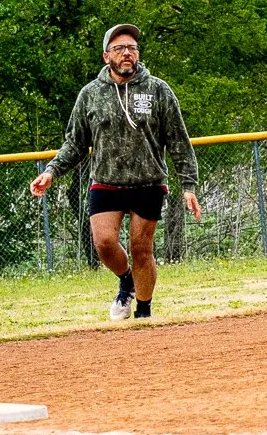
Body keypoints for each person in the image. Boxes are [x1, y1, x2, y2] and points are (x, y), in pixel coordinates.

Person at [29, 24, 202, 321]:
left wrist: (189, 185)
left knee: (141, 248)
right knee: (104, 243)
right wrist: (52, 171)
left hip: (147, 181)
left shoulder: (158, 90)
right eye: (120, 48)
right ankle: (126, 282)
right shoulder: (90, 94)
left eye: (132, 49)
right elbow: (75, 142)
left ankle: (143, 312)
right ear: (106, 55)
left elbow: (178, 140)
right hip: (106, 181)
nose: (127, 54)